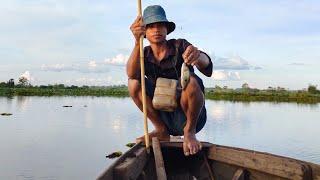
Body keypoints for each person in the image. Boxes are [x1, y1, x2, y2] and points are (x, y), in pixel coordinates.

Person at [127, 5, 213, 156]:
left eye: (160, 25)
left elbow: (207, 65)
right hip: (163, 115)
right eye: (151, 26)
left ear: (167, 29)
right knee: (133, 83)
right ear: (144, 32)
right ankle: (160, 130)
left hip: (188, 116)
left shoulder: (180, 45)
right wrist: (136, 42)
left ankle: (189, 133)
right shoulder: (143, 54)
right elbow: (131, 74)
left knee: (191, 81)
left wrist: (198, 56)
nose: (156, 30)